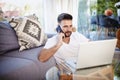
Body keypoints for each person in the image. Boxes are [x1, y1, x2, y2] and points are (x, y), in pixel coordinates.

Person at [39, 13, 89, 80]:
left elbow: (91, 45)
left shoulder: (76, 35)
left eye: (70, 26)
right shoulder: (53, 40)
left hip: (85, 66)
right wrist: (58, 44)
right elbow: (42, 58)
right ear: (59, 26)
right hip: (72, 74)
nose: (69, 29)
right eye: (65, 26)